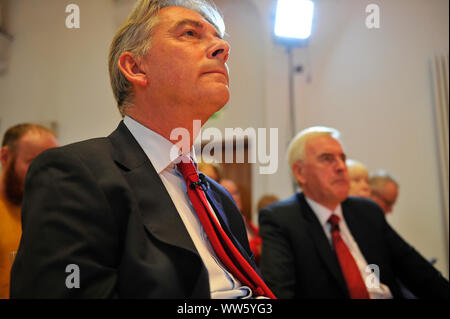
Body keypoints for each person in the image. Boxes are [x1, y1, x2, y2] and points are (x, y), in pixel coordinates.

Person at [11, 0, 274, 299]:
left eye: (219, 39)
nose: (222, 49)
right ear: (135, 67)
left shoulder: (220, 199)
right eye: (190, 33)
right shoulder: (72, 174)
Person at [259, 126, 448, 298]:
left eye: (342, 158)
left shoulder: (367, 211)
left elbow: (419, 272)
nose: (341, 167)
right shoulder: (281, 220)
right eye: (327, 159)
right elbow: (279, 294)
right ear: (300, 172)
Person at [0, 123, 58, 298]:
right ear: (5, 157)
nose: (47, 175)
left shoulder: (55, 212)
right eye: (34, 163)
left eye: (53, 165)